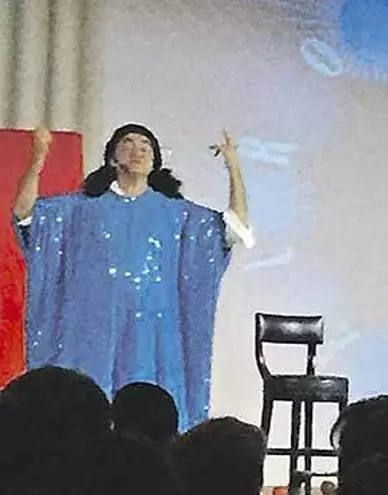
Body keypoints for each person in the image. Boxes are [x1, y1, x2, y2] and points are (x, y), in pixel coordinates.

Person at [11, 124, 253, 429]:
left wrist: (233, 166)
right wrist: (38, 158)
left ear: (155, 162)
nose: (137, 150)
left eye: (145, 146)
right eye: (127, 143)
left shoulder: (178, 214)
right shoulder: (80, 208)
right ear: (112, 157)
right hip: (90, 332)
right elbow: (26, 214)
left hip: (152, 336)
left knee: (147, 415)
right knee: (87, 412)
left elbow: (234, 228)